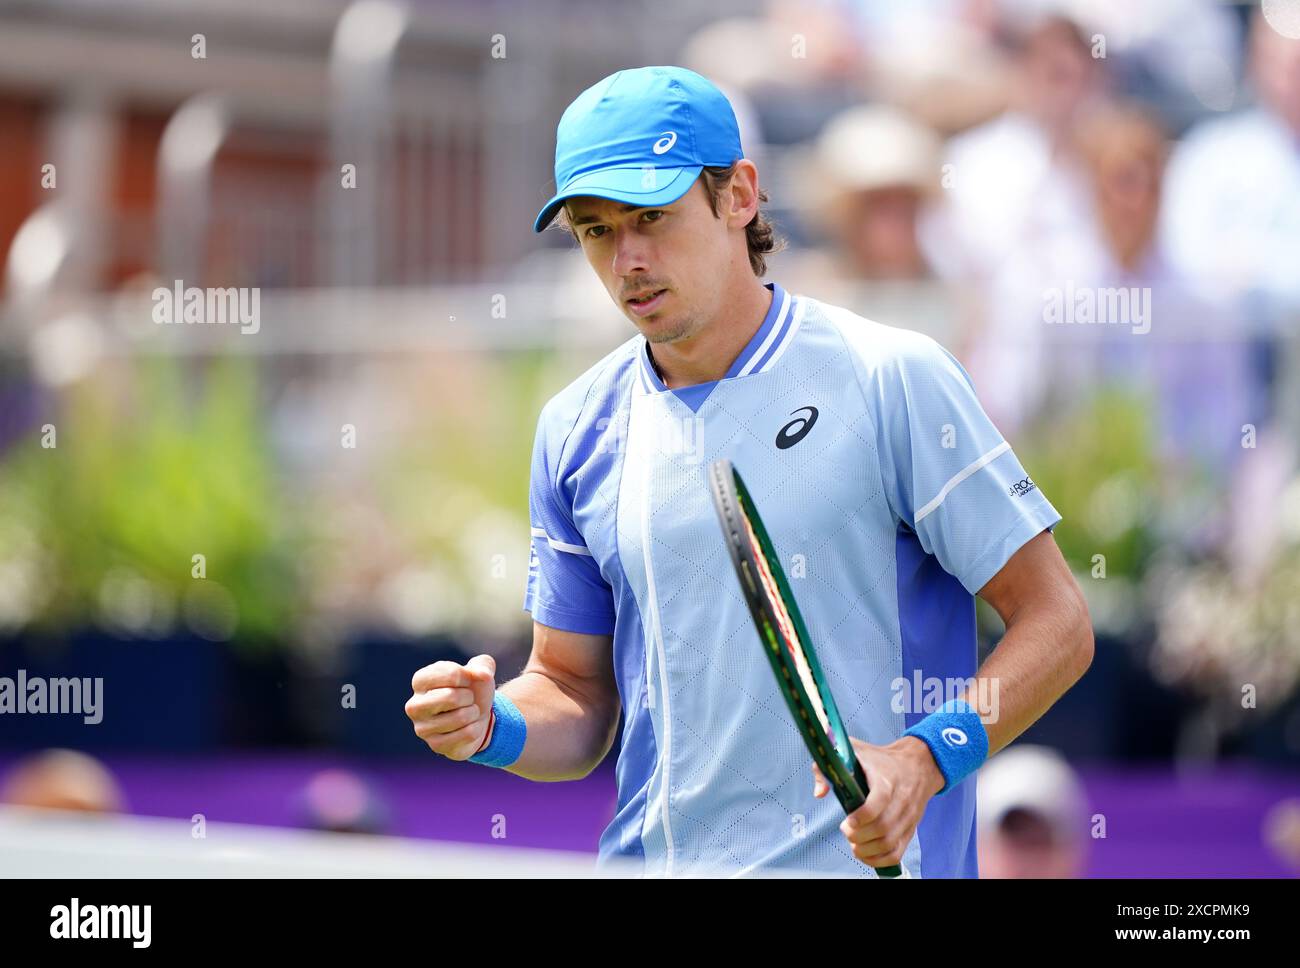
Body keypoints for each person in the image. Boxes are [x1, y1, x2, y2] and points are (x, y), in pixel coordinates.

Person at [405, 66, 1094, 878]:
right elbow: (572, 689)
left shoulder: (892, 377)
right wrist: (495, 727)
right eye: (595, 231)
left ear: (738, 196)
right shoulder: (574, 427)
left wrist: (924, 757)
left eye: (651, 217)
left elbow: (1058, 623)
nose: (626, 260)